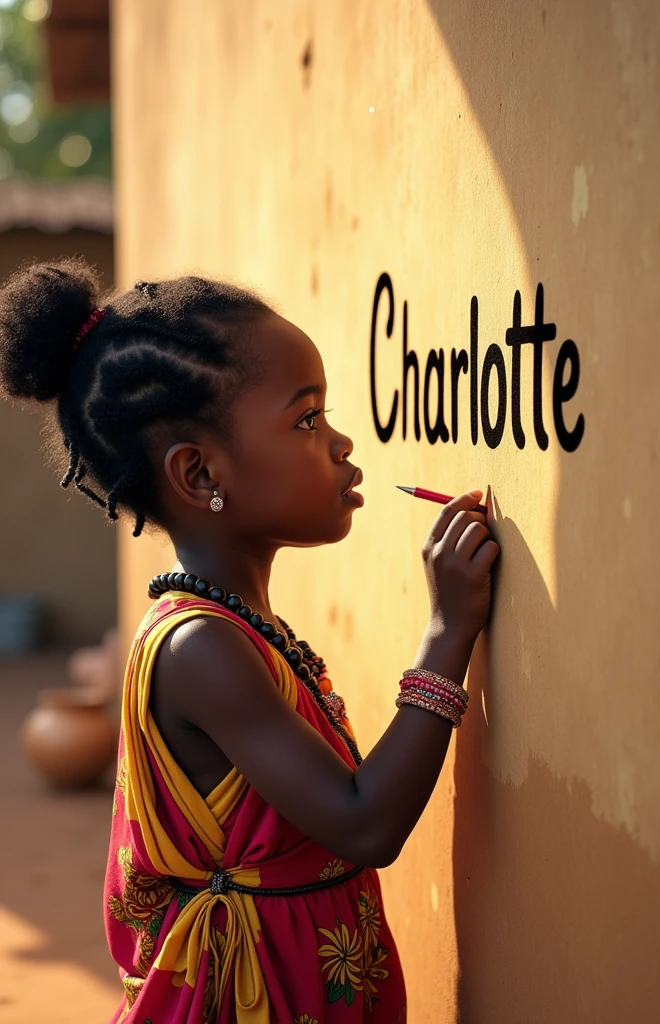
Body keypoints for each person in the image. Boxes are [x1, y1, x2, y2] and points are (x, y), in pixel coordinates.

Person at [0, 259, 500, 1024]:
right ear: (200, 474)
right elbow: (365, 822)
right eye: (306, 420)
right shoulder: (202, 647)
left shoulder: (236, 625)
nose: (339, 443)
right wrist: (448, 631)